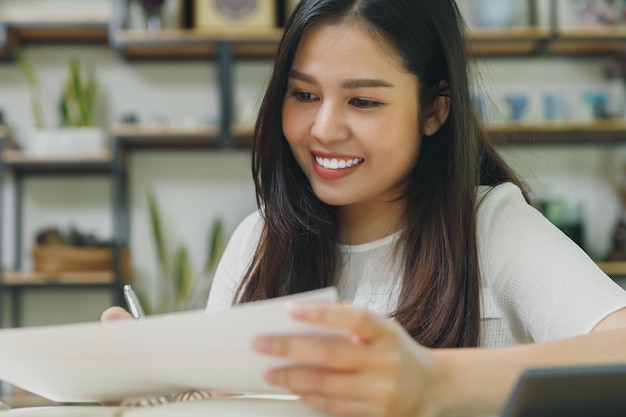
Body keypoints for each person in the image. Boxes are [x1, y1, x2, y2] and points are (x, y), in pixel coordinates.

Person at [103, 0, 626, 416]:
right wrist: (154, 387)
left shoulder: (490, 227)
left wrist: (432, 382)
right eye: (303, 95)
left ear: (433, 110)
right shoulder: (258, 240)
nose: (324, 129)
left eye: (364, 101)